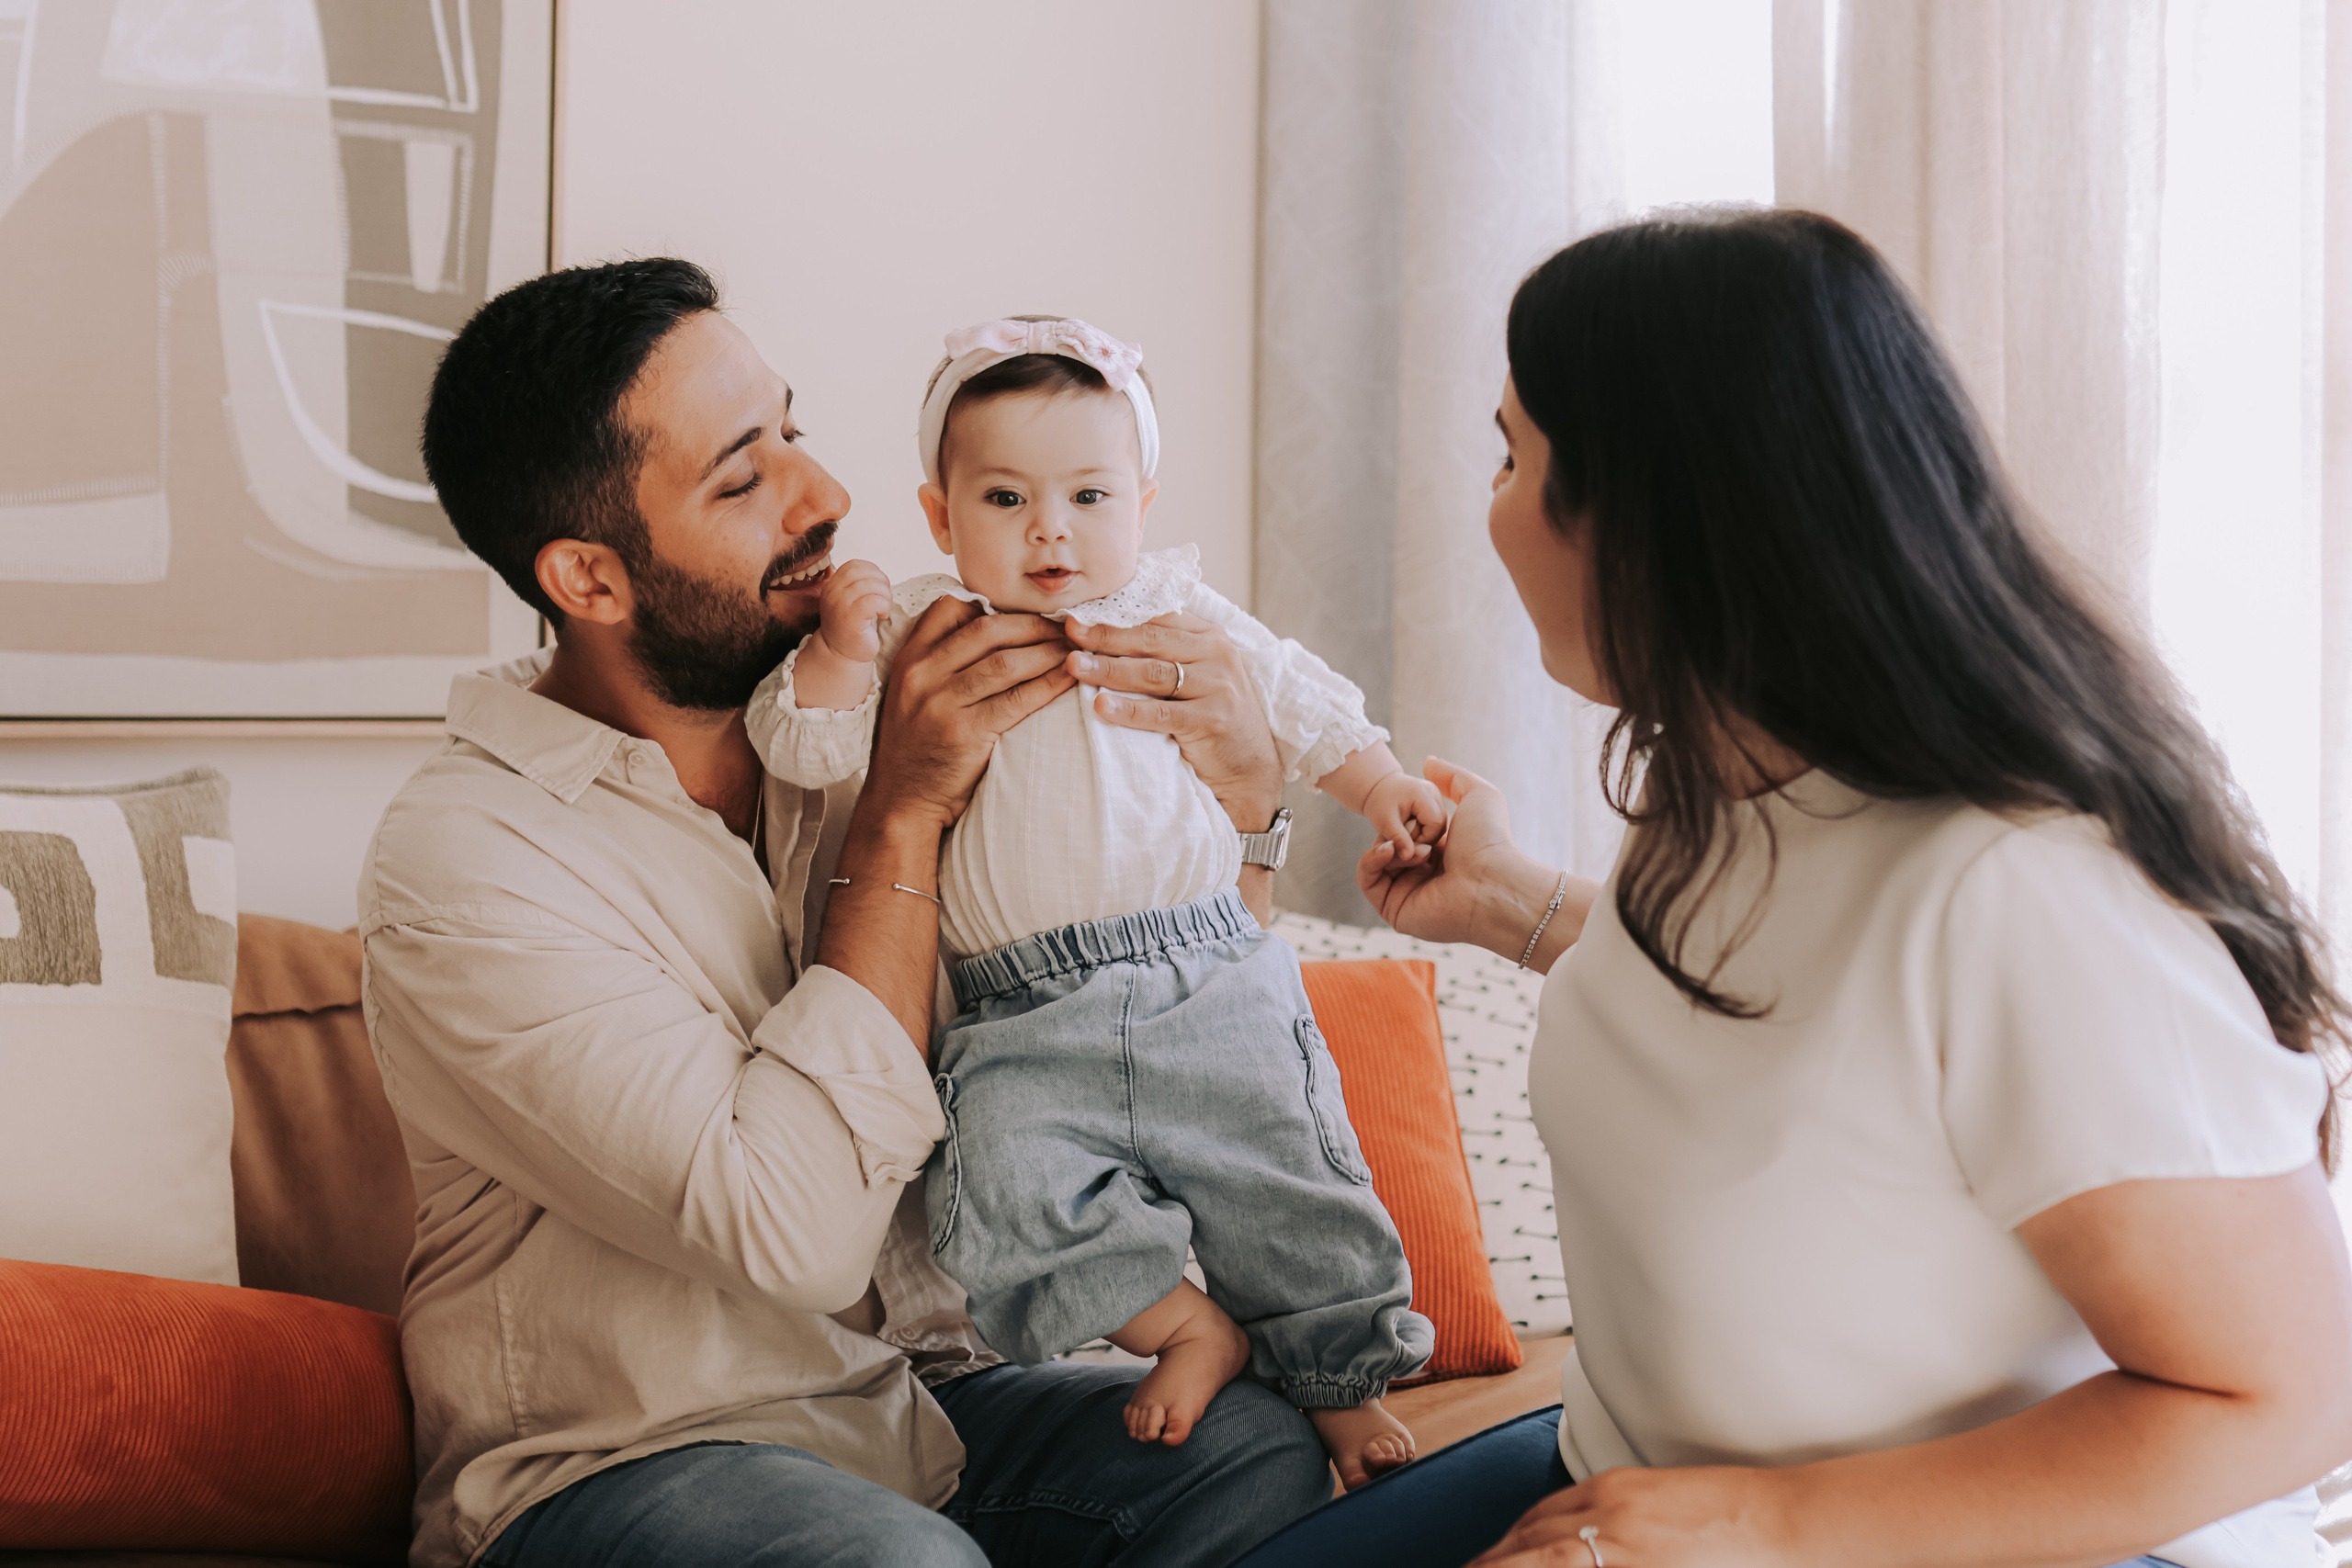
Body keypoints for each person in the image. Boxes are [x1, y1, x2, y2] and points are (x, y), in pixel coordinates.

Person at [1232, 208, 2352, 1568]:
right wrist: (1515, 904)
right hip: (1649, 1478)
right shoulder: (1723, 773)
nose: (1493, 507)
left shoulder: (2034, 892)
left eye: (1513, 456)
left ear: (1648, 524)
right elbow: (1811, 1043)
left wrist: (1762, 1523)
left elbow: (2287, 1394)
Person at [361, 259, 1332, 1568]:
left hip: (919, 1411)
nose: (824, 496)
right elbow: (797, 1235)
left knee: (1253, 1448)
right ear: (588, 578)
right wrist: (902, 814)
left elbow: (1159, 1002)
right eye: (742, 478)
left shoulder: (846, 714)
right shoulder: (466, 864)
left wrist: (1249, 804)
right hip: (627, 1461)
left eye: (793, 431)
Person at [754, 314, 1442, 1486]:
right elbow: (802, 746)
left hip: (1207, 971)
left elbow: (1299, 700)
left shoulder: (1175, 613)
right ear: (939, 516)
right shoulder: (925, 633)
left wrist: (1382, 787)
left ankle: (1341, 1382)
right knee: (1003, 1200)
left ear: (1142, 502)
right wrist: (837, 650)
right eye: (1005, 499)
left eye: (1087, 496)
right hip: (1017, 1014)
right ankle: (1184, 1326)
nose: (1051, 530)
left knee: (1289, 1182)